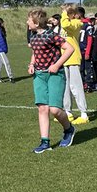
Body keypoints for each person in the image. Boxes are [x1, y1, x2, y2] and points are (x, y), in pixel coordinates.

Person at [27, 8, 76, 154]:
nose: (27, 22)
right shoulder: (33, 37)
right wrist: (31, 64)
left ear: (36, 22)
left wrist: (56, 65)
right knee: (42, 108)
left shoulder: (51, 35)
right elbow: (35, 53)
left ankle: (69, 129)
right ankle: (45, 142)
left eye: (29, 20)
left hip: (55, 75)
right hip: (39, 76)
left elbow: (69, 49)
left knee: (55, 110)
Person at [60, 4, 89, 122]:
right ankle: (68, 111)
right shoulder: (65, 22)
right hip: (64, 58)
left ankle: (83, 113)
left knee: (76, 86)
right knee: (65, 87)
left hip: (73, 57)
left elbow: (66, 24)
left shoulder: (77, 23)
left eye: (68, 13)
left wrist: (64, 13)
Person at [0, 18, 14, 84]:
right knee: (6, 63)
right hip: (0, 50)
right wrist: (4, 49)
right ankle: (10, 77)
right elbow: (1, 41)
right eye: (2, 22)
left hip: (0, 49)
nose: (4, 24)